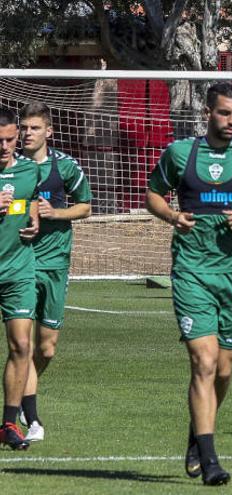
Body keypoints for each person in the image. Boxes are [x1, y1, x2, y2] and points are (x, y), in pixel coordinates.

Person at [145, 82, 232, 484]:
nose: (231, 121)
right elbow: (153, 196)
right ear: (208, 112)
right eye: (224, 113)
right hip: (191, 270)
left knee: (223, 370)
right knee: (203, 362)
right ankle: (210, 460)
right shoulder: (180, 154)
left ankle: (197, 435)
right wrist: (173, 216)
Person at [18, 103, 93, 443]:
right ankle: (31, 417)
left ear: (48, 131)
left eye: (34, 128)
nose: (26, 134)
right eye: (24, 128)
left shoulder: (65, 167)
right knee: (20, 342)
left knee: (46, 349)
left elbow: (86, 206)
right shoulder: (11, 168)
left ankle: (19, 388)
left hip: (56, 265)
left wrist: (56, 213)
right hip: (20, 264)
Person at [0, 108, 40, 450]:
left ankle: (9, 424)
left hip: (18, 270)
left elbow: (31, 200)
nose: (4, 146)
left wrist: (34, 217)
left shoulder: (28, 170)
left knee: (22, 346)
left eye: (10, 139)